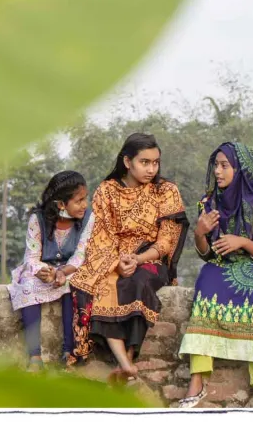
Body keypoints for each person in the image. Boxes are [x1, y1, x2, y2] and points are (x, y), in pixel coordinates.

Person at [67, 133, 189, 384]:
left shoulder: (166, 191)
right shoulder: (107, 190)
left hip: (151, 260)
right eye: (145, 162)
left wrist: (138, 259)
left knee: (136, 283)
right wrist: (117, 263)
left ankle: (127, 361)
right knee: (93, 282)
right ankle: (126, 365)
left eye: (155, 162)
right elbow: (101, 234)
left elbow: (166, 242)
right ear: (127, 162)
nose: (151, 169)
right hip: (112, 258)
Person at [177, 142, 253, 408]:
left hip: (251, 265)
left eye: (225, 166)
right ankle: (197, 381)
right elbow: (205, 253)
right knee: (205, 285)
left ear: (240, 168)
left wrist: (243, 242)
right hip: (219, 265)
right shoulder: (208, 202)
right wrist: (200, 232)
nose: (218, 172)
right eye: (216, 165)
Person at [7, 170, 93, 371]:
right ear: (61, 204)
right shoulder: (38, 219)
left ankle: (68, 353)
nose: (85, 204)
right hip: (42, 270)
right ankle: (35, 357)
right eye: (79, 200)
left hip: (72, 269)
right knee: (27, 286)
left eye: (85, 198)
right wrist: (44, 272)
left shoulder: (89, 219)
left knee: (75, 286)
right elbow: (32, 256)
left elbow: (80, 255)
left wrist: (63, 272)